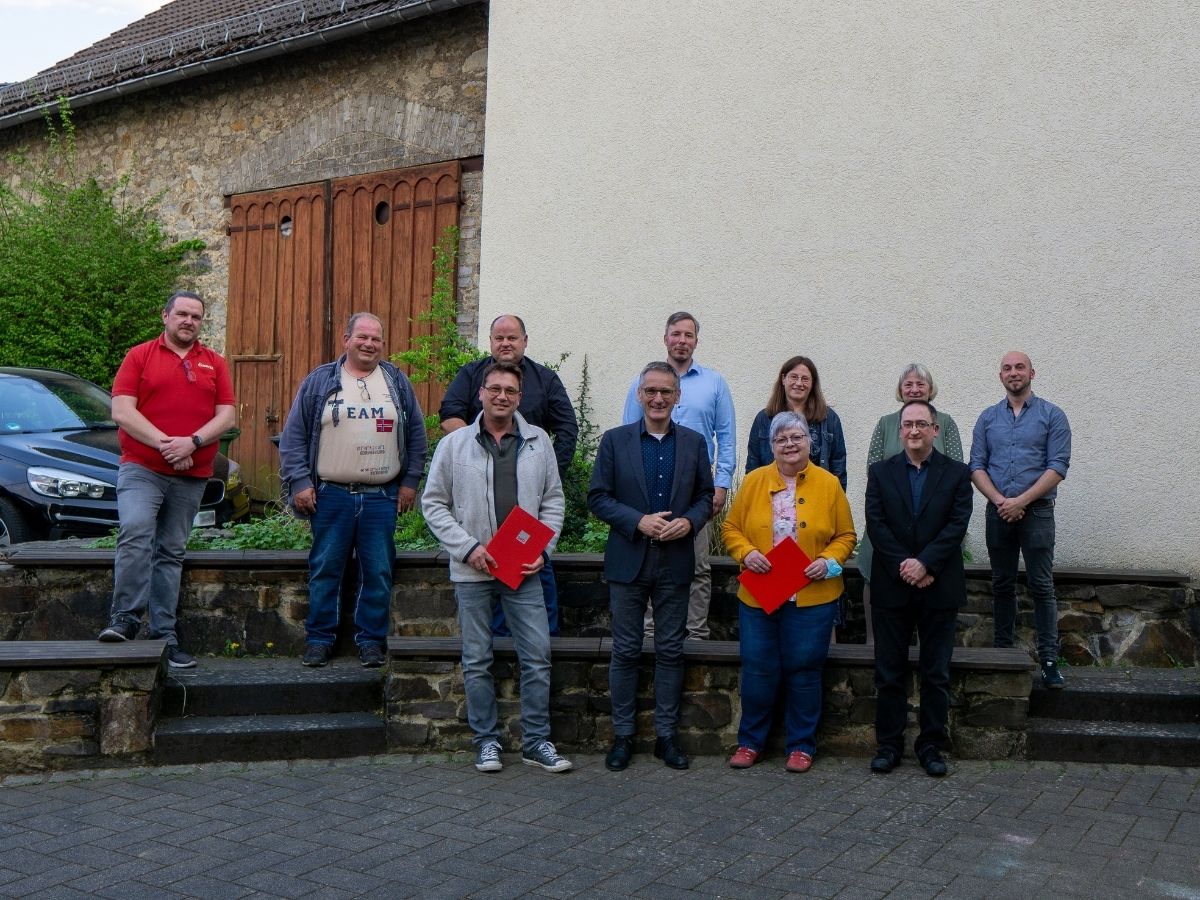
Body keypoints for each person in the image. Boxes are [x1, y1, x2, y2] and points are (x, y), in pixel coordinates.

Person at [423, 361, 571, 774]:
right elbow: (433, 504)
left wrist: (545, 548)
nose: (502, 396)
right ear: (482, 394)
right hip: (473, 569)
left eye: (510, 390)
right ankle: (486, 741)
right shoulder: (453, 446)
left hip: (523, 569)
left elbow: (553, 501)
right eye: (495, 389)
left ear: (519, 398)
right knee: (476, 659)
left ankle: (537, 742)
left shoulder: (539, 441)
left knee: (538, 656)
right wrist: (467, 548)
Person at [278, 312, 427, 669]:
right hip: (331, 495)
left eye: (376, 339)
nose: (369, 344)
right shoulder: (320, 381)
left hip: (382, 496)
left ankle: (370, 641)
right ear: (346, 340)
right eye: (362, 337)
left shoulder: (395, 382)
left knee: (377, 570)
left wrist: (409, 483)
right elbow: (293, 438)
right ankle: (319, 640)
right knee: (326, 568)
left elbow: (417, 437)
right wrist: (300, 482)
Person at [98, 291, 237, 669]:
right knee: (136, 530)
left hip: (191, 475)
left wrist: (192, 442)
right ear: (165, 316)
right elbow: (121, 411)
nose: (188, 321)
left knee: (171, 551)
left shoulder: (215, 363)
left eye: (196, 316)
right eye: (182, 314)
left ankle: (164, 634)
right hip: (142, 468)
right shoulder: (139, 356)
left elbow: (226, 416)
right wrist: (167, 445)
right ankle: (125, 618)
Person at [591, 362, 714, 771]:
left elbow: (705, 495)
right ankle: (623, 736)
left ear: (678, 397)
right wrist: (637, 521)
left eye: (666, 391)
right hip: (629, 558)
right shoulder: (615, 441)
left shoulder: (695, 443)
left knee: (670, 652)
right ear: (640, 395)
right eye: (650, 391)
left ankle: (666, 738)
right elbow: (598, 498)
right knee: (625, 651)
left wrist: (691, 521)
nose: (658, 398)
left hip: (675, 560)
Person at [721, 412, 856, 773]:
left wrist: (827, 561)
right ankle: (750, 742)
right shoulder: (753, 482)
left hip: (812, 595)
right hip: (762, 592)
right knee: (758, 669)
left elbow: (846, 536)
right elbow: (731, 528)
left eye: (796, 437)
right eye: (781, 439)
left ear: (809, 442)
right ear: (771, 446)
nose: (790, 444)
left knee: (805, 671)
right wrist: (746, 553)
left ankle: (801, 746)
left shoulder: (828, 484)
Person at [440, 315, 577, 637]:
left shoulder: (545, 379)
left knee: (538, 595)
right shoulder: (472, 375)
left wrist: (547, 474)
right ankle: (502, 659)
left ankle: (543, 652)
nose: (505, 343)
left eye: (512, 338)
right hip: (480, 510)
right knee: (493, 611)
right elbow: (449, 416)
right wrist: (478, 451)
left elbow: (567, 429)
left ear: (525, 341)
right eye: (499, 337)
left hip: (527, 515)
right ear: (490, 341)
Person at [865, 400, 973, 777]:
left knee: (936, 673)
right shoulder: (880, 473)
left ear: (935, 430)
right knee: (889, 673)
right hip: (893, 587)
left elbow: (957, 525)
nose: (914, 430)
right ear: (900, 430)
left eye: (921, 424)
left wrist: (925, 563)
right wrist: (906, 567)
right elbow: (876, 525)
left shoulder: (958, 474)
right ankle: (889, 746)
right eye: (908, 424)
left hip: (938, 586)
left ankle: (930, 746)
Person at [621, 312, 734, 640]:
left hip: (695, 491)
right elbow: (629, 432)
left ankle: (695, 633)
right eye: (675, 334)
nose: (681, 340)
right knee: (648, 562)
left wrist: (721, 484)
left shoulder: (714, 383)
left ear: (696, 341)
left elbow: (726, 436)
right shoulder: (643, 381)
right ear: (665, 338)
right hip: (648, 489)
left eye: (688, 335)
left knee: (698, 565)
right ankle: (650, 631)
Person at [970, 351, 1071, 688]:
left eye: (1020, 367)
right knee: (1002, 583)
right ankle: (1002, 651)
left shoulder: (1052, 416)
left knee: (1041, 586)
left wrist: (1022, 501)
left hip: (1038, 512)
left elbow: (1058, 466)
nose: (1014, 373)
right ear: (1000, 376)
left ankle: (1049, 660)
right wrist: (1001, 501)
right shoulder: (986, 419)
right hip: (998, 511)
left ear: (1032, 373)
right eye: (1007, 368)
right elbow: (977, 466)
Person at [858, 363, 964, 643]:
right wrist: (905, 562)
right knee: (876, 577)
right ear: (900, 390)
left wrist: (925, 562)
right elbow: (873, 467)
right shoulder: (885, 423)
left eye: (921, 384)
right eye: (909, 384)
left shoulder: (947, 422)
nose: (915, 389)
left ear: (930, 390)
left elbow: (956, 468)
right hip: (892, 527)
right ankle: (874, 639)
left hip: (933, 531)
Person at [745, 356, 846, 489]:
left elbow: (838, 463)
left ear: (812, 383)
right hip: (772, 493)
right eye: (794, 377)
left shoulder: (829, 418)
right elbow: (753, 463)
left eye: (805, 379)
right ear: (783, 379)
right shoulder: (764, 418)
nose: (799, 383)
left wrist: (836, 498)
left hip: (817, 495)